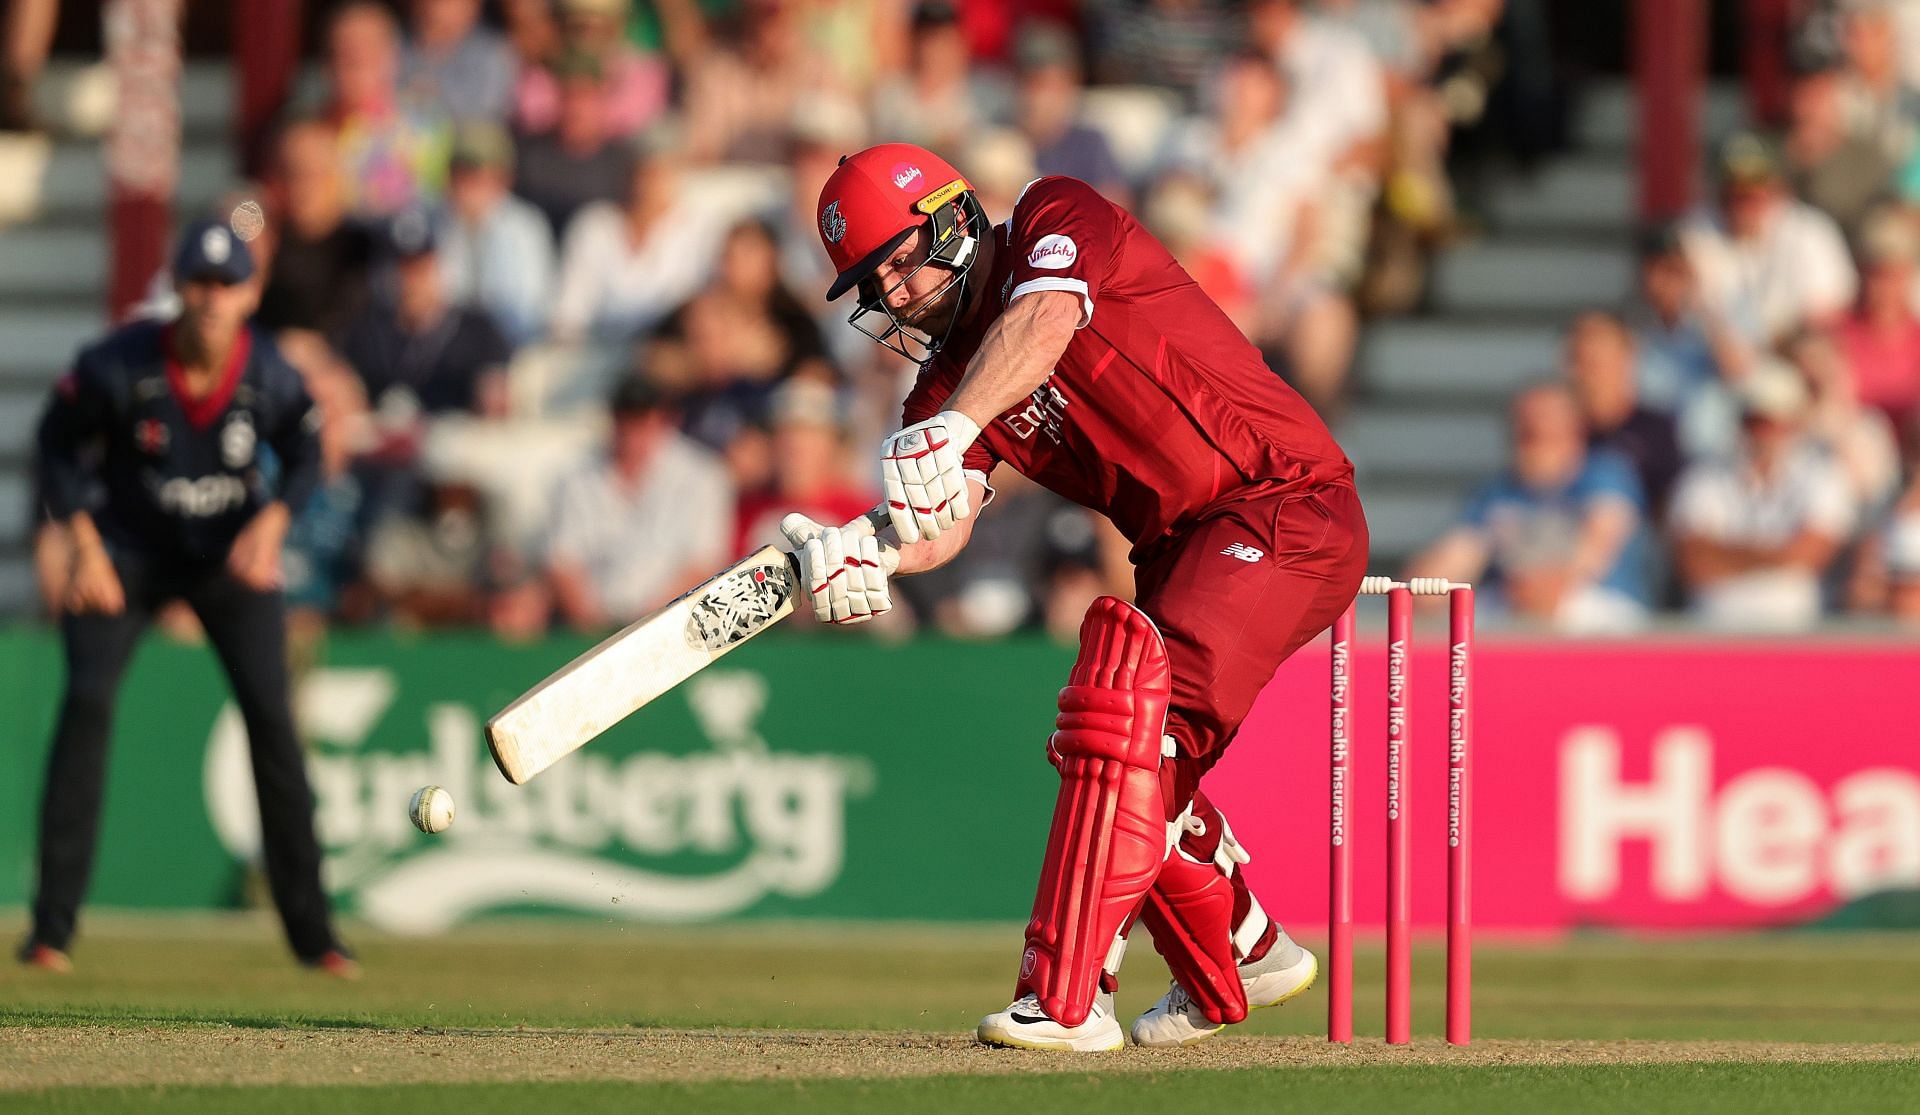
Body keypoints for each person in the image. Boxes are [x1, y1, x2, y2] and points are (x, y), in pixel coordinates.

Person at [787, 144, 1366, 1050]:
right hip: (1180, 549)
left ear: (953, 217)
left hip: (1281, 500)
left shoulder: (1057, 216)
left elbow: (1047, 318)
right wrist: (870, 555)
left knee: (1132, 733)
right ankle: (1246, 951)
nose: (896, 295)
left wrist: (954, 426)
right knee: (1102, 744)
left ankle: (1067, 998)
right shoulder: (945, 390)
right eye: (874, 282)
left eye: (903, 260)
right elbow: (943, 518)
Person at [22, 220, 354, 976]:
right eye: (199, 285)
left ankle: (316, 938)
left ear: (251, 293)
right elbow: (54, 443)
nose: (210, 301)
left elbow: (306, 447)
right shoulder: (120, 365)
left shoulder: (267, 372)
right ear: (178, 287)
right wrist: (81, 540)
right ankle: (51, 931)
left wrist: (272, 523)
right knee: (87, 706)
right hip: (126, 556)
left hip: (224, 561)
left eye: (227, 285)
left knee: (273, 720)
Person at [1408, 384, 1652, 633]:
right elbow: (1454, 559)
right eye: (1526, 424)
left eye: (1547, 420)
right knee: (1462, 622)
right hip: (1514, 604)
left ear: (1576, 428)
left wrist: (1549, 583)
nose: (1535, 428)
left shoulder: (1605, 474)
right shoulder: (1497, 493)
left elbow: (1600, 541)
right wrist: (1426, 589)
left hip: (1597, 606)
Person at [531, 376, 735, 631]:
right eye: (626, 418)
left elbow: (704, 563)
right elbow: (562, 562)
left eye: (643, 419)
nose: (633, 429)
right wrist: (592, 627)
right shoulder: (578, 479)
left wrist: (649, 627)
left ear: (666, 420)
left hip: (678, 629)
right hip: (592, 630)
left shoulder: (703, 476)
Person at [1669, 359, 1858, 631]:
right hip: (1714, 628)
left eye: (1776, 421)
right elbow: (1693, 563)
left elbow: (1810, 555)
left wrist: (1727, 553)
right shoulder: (1703, 478)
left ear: (1795, 423)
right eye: (1756, 420)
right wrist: (1779, 553)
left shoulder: (1823, 477)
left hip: (1796, 630)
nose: (1766, 433)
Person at [438, 120, 556, 346]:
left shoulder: (526, 228)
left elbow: (528, 313)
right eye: (461, 173)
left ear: (503, 179)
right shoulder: (431, 223)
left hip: (509, 348)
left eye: (478, 176)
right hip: (444, 353)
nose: (467, 186)